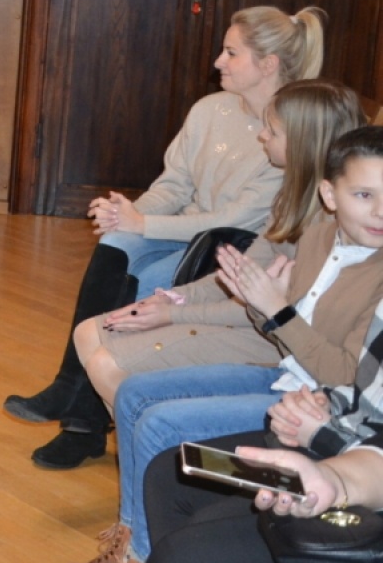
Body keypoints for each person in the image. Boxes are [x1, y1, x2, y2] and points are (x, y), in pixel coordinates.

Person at [61, 93, 376, 563]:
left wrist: (269, 310)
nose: (379, 211)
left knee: (158, 422)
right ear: (330, 195)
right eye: (365, 195)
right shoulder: (322, 235)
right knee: (135, 396)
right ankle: (134, 543)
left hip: (306, 393)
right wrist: (178, 302)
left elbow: (336, 369)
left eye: (273, 130)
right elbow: (255, 290)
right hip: (290, 372)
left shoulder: (361, 258)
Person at [6, 5, 326, 469]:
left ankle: (83, 421)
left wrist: (143, 225)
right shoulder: (209, 109)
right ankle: (71, 390)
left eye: (231, 52)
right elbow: (174, 185)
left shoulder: (290, 133)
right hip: (183, 233)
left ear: (268, 64)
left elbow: (233, 220)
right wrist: (128, 215)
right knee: (116, 244)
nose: (217, 61)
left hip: (230, 249)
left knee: (146, 276)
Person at [78, 80, 371, 405]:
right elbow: (239, 275)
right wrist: (171, 299)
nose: (262, 136)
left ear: (302, 143)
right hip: (256, 322)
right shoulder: (291, 199)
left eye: (273, 131)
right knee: (88, 333)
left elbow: (267, 310)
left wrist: (174, 315)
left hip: (277, 342)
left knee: (107, 365)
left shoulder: (334, 225)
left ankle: (155, 430)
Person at [140, 293, 383, 563]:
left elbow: (331, 358)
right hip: (350, 442)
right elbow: (369, 390)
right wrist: (328, 401)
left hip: (355, 461)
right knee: (168, 474)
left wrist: (325, 440)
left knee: (183, 560)